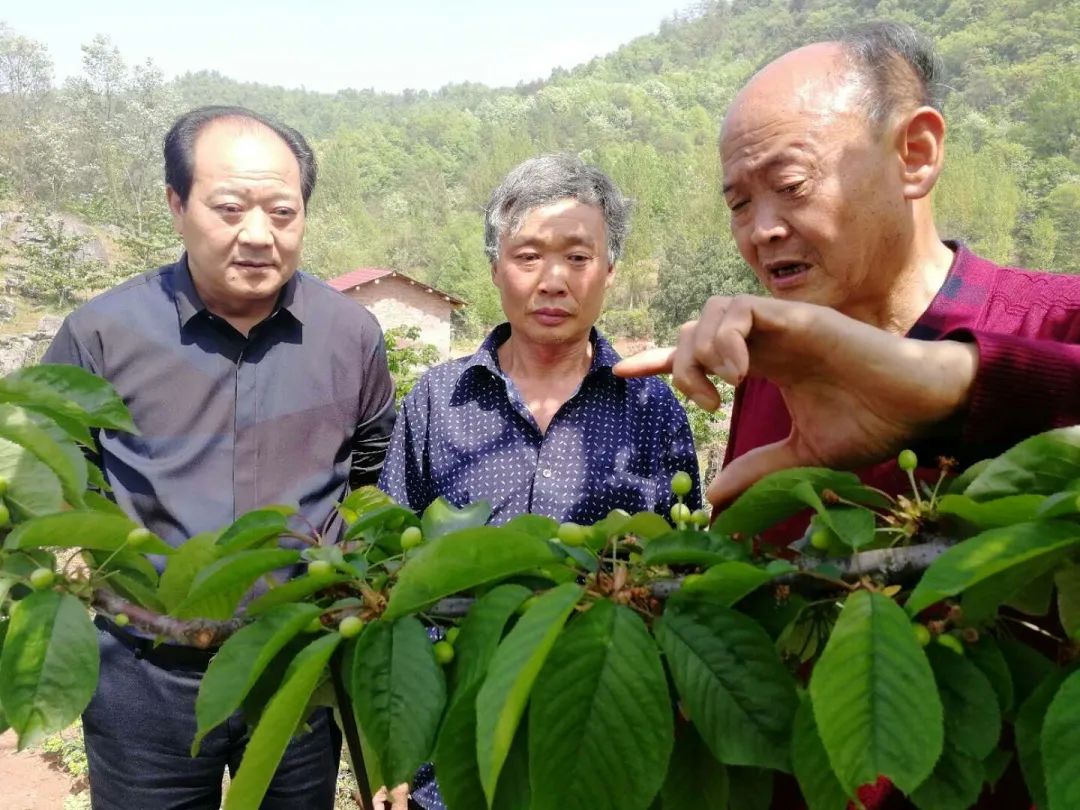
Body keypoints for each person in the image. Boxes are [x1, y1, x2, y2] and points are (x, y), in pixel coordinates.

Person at [42, 106, 396, 809]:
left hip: (294, 668)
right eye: (229, 208)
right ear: (177, 204)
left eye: (283, 212)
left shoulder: (351, 335)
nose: (259, 235)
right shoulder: (101, 334)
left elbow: (369, 470)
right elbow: (59, 480)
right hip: (143, 678)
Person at [617, 22, 1080, 517]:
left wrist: (953, 387)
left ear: (916, 156)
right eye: (740, 204)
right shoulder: (773, 370)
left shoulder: (1059, 320)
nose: (761, 231)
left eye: (792, 184)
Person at [380, 154, 701, 526]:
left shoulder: (653, 408)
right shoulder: (436, 401)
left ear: (610, 270)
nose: (552, 282)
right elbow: (393, 549)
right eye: (529, 256)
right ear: (495, 268)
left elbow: (683, 555)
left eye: (578, 257)